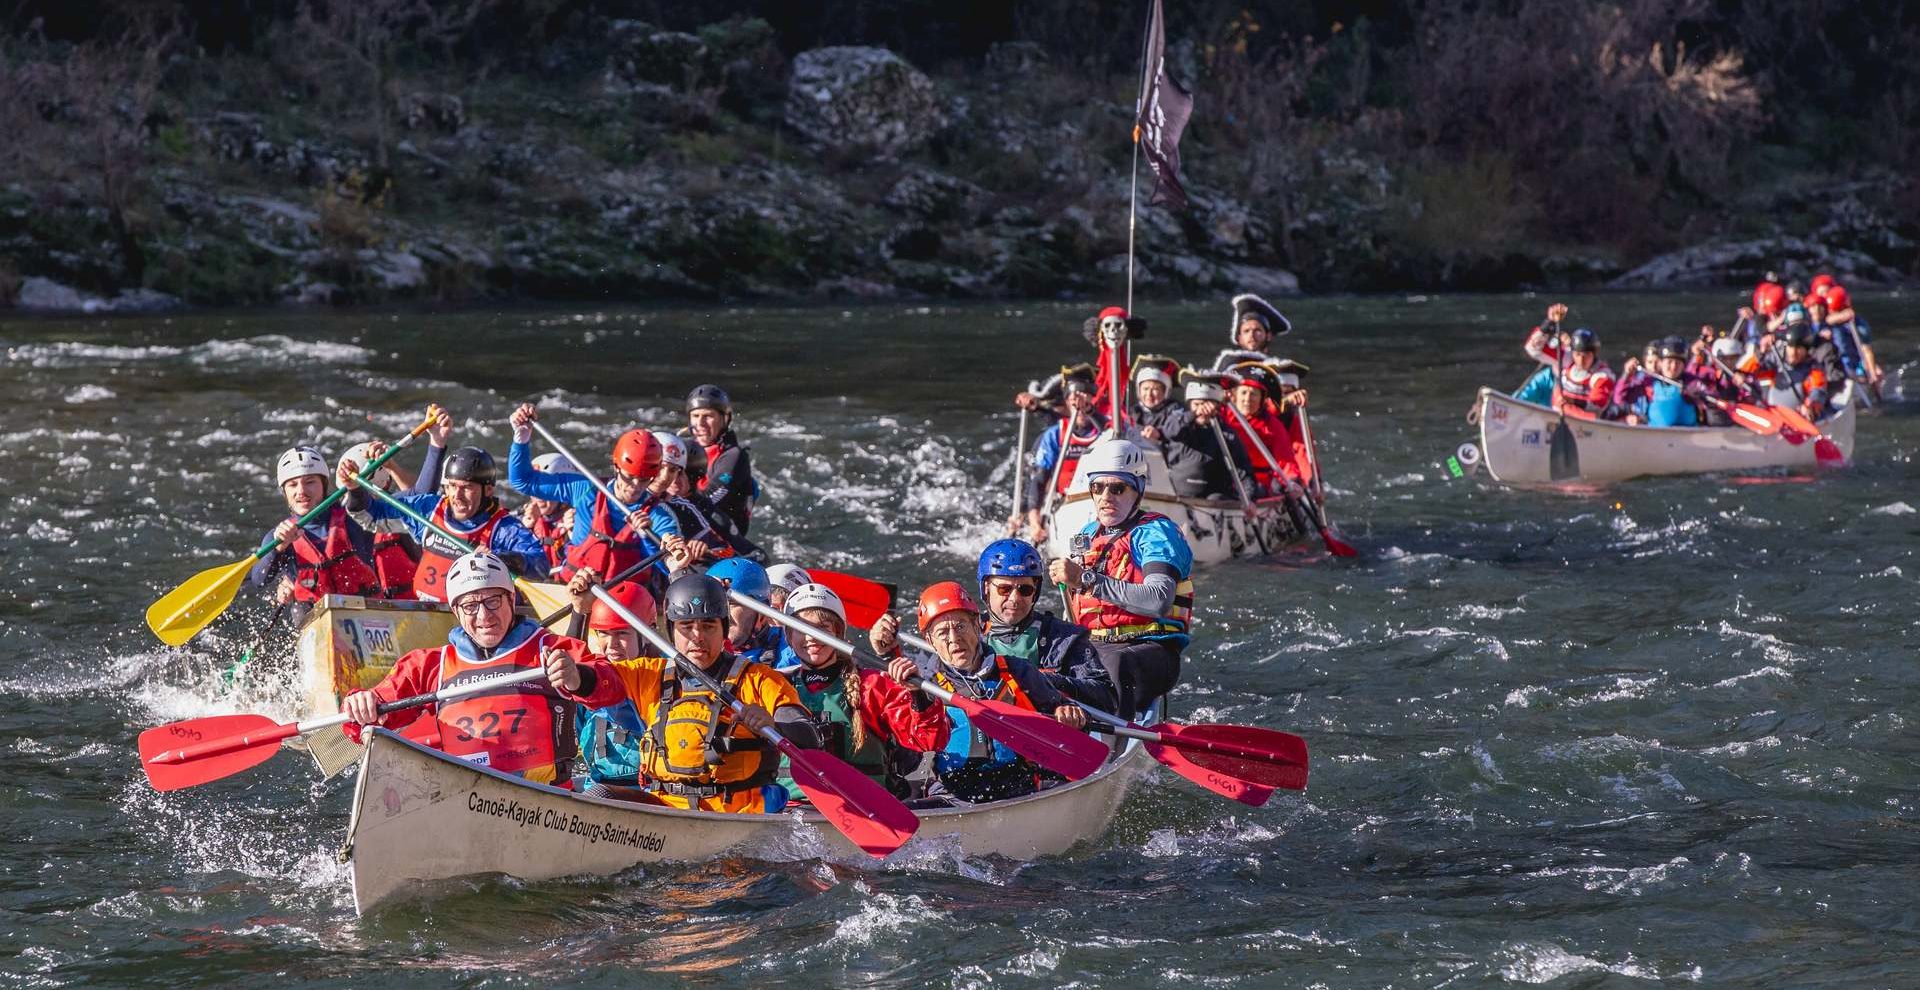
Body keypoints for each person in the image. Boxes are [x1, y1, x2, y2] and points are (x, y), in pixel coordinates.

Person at [339, 551, 613, 788]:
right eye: (470, 606)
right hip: (466, 799)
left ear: (510, 599)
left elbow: (612, 686)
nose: (484, 616)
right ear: (456, 611)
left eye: (492, 601)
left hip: (547, 802)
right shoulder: (430, 665)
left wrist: (578, 678)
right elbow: (358, 724)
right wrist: (360, 703)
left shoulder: (552, 648)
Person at [556, 571, 822, 813]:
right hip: (667, 808)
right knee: (600, 794)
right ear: (671, 631)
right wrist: (574, 676)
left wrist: (774, 726)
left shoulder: (760, 679)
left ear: (724, 630)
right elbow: (599, 680)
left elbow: (807, 735)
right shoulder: (649, 673)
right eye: (687, 626)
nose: (698, 637)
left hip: (737, 811)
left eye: (708, 626)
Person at [870, 539, 1116, 711]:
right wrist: (888, 653)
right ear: (986, 589)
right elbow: (923, 678)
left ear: (1036, 592)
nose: (1014, 599)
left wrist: (1044, 684)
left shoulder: (1063, 638)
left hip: (1047, 739)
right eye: (1004, 588)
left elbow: (1107, 698)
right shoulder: (963, 631)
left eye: (1025, 589)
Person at [1046, 439, 1193, 720]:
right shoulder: (1087, 533)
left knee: (1113, 662)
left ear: (1137, 490)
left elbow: (1158, 600)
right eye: (1097, 487)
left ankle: (1115, 750)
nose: (1105, 496)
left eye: (1117, 488)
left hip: (1148, 651)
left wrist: (1087, 579)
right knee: (1041, 666)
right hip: (1095, 646)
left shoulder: (1155, 533)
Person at [910, 581, 1090, 804]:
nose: (954, 639)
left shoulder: (1017, 670)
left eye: (960, 626)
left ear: (977, 625)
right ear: (930, 641)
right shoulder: (926, 687)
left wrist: (1070, 714)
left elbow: (1064, 714)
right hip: (954, 794)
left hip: (1021, 785)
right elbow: (915, 742)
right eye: (942, 632)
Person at [771, 582, 949, 800]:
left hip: (864, 807)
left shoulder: (872, 685)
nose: (811, 637)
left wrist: (917, 693)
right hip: (792, 808)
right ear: (789, 637)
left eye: (823, 628)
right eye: (802, 628)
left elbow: (930, 741)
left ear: (838, 632)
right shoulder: (774, 686)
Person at [344, 440, 551, 601]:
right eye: (452, 486)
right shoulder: (429, 509)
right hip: (422, 611)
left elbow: (540, 565)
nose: (457, 496)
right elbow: (370, 516)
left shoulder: (504, 529)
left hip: (470, 622)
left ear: (488, 490)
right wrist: (354, 489)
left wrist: (500, 559)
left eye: (467, 488)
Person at [506, 403, 683, 585]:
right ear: (616, 467)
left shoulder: (659, 515)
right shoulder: (586, 489)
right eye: (630, 477)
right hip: (575, 589)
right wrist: (521, 438)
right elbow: (523, 481)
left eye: (645, 479)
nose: (636, 486)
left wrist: (647, 538)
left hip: (626, 600)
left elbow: (670, 566)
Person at [246, 445, 383, 627]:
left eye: (310, 482)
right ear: (285, 493)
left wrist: (355, 487)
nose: (301, 491)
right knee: (299, 609)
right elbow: (259, 580)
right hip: (318, 629)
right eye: (292, 485)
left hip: (369, 620)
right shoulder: (278, 536)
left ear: (324, 485)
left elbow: (362, 505)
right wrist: (277, 549)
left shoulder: (353, 519)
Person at [561, 573, 657, 795]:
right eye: (603, 634)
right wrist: (580, 611)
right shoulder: (592, 677)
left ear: (648, 633)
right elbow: (566, 678)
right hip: (597, 788)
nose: (611, 645)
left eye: (622, 633)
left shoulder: (663, 678)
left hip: (651, 795)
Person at [1017, 367, 1109, 543]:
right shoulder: (1054, 434)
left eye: (1084, 400)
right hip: (1067, 504)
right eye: (1074, 399)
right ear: (1067, 402)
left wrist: (1089, 411)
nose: (1079, 405)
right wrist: (1035, 523)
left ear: (1092, 401)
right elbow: (1038, 480)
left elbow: (1112, 432)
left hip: (1103, 501)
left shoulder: (1106, 430)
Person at [334, 441, 424, 600]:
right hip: (365, 609)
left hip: (410, 606)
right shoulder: (337, 523)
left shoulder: (399, 512)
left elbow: (422, 495)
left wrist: (393, 467)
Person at [1162, 379, 1256, 501]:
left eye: (1207, 405)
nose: (1202, 410)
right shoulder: (1180, 423)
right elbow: (1169, 431)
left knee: (1217, 498)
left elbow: (1243, 470)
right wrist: (1194, 413)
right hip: (1176, 494)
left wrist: (1248, 499)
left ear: (1216, 407)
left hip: (1211, 499)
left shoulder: (1226, 434)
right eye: (1197, 404)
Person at [684, 384, 757, 537]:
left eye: (708, 416)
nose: (700, 424)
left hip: (722, 539)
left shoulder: (735, 457)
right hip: (688, 527)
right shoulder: (684, 449)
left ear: (725, 419)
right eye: (695, 416)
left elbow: (713, 496)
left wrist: (675, 502)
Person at [1223, 364, 1302, 495]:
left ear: (1262, 399)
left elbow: (1285, 461)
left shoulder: (1272, 425)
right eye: (1243, 393)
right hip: (1225, 476)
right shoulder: (1221, 417)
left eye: (1253, 394)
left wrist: (1292, 481)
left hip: (1259, 483)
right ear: (1234, 396)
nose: (1247, 399)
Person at [706, 557, 784, 665]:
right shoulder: (692, 651)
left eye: (731, 604)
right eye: (712, 604)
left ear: (761, 616)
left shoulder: (794, 650)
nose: (720, 613)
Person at [1613, 336, 1702, 427]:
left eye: (1678, 363)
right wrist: (1626, 375)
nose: (1673, 367)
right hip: (1656, 436)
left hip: (1688, 436)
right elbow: (1619, 399)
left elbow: (1710, 400)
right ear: (1661, 363)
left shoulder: (1692, 382)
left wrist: (1698, 395)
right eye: (1669, 362)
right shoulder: (1649, 384)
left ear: (1683, 366)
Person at [1760, 323, 1836, 421]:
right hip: (1772, 417)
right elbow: (1756, 372)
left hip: (1799, 418)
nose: (1793, 352)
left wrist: (1810, 406)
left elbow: (1818, 390)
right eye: (1790, 346)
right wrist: (1761, 353)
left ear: (1806, 349)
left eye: (1799, 348)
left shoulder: (1814, 369)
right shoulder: (1775, 362)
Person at [520, 452, 579, 573]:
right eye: (534, 489)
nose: (538, 496)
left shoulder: (581, 519)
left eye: (545, 489)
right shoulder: (523, 520)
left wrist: (574, 534)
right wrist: (525, 531)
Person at [1821, 284, 1883, 395]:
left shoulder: (1859, 325)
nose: (1832, 314)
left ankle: (1865, 384)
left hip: (1853, 364)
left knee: (1876, 372)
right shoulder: (1825, 320)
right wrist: (1840, 317)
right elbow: (1826, 321)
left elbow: (1866, 350)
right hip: (1833, 364)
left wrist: (1872, 372)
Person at [1211, 293, 1292, 371]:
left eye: (1257, 330)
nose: (1251, 335)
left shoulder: (1279, 367)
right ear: (1239, 338)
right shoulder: (1228, 362)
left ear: (1268, 336)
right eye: (1246, 331)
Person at [1554, 328, 1615, 418]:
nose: (1581, 361)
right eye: (1577, 354)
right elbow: (1535, 350)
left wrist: (1573, 401)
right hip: (1556, 416)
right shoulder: (1567, 362)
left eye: (1586, 355)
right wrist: (1548, 326)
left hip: (1586, 426)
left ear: (1594, 354)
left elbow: (1596, 406)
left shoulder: (1603, 376)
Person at [1129, 360, 1189, 450]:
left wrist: (1159, 433)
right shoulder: (1133, 411)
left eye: (1155, 389)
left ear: (1166, 391)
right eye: (1145, 389)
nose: (1149, 394)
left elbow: (1178, 428)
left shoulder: (1176, 410)